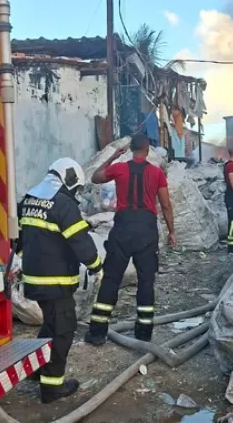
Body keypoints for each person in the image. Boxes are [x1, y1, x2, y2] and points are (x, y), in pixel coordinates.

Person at [17, 158, 101, 403]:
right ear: (70, 179)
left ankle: (37, 369)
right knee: (64, 329)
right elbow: (80, 242)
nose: (75, 193)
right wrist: (96, 265)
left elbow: (20, 240)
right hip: (55, 282)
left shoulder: (29, 199)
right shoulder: (63, 204)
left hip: (34, 279)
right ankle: (52, 387)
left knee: (50, 326)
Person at [85, 133, 176, 345]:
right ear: (147, 150)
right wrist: (171, 231)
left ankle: (97, 333)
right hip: (146, 230)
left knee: (111, 279)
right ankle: (143, 333)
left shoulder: (119, 168)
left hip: (123, 228)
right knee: (146, 281)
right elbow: (165, 205)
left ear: (131, 149)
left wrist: (113, 157)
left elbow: (96, 177)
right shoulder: (156, 173)